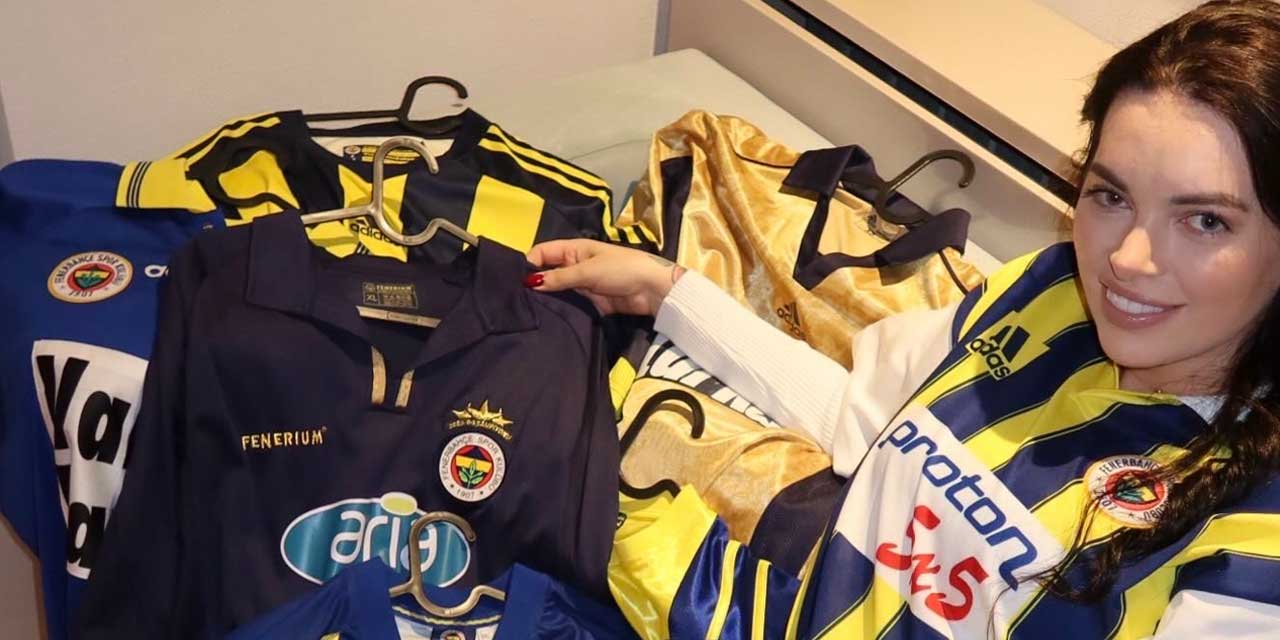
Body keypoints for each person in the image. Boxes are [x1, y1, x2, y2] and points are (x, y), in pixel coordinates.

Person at [525, 1, 1280, 637]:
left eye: (1206, 221)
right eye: (1111, 196)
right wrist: (671, 293)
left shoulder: (1257, 542)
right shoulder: (1049, 295)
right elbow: (871, 419)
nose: (1127, 260)